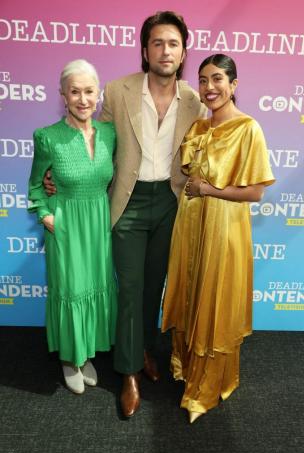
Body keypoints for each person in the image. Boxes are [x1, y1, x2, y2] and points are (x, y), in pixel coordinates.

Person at [44, 11, 205, 416]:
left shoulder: (195, 100)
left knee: (155, 286)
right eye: (156, 43)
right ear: (145, 50)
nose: (164, 50)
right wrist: (58, 178)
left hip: (171, 203)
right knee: (131, 288)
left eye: (172, 43)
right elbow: (91, 142)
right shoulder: (117, 91)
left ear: (183, 50)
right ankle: (129, 371)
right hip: (128, 202)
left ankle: (146, 350)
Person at [162, 54, 275, 423]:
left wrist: (210, 189)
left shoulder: (248, 129)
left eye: (217, 80)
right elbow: (183, 179)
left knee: (213, 300)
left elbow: (256, 192)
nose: (210, 88)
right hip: (190, 225)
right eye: (203, 80)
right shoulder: (197, 127)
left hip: (223, 226)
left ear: (234, 85)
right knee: (189, 292)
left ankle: (205, 389)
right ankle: (186, 369)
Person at [28, 59, 117, 395]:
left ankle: (86, 352)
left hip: (98, 222)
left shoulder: (110, 134)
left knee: (95, 287)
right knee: (70, 291)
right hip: (64, 226)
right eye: (75, 92)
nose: (83, 99)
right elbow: (36, 185)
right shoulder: (48, 138)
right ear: (63, 95)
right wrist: (46, 215)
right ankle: (70, 359)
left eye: (89, 91)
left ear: (99, 94)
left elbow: (117, 177)